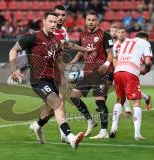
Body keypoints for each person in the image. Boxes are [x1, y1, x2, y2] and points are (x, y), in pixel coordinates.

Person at [9, 11, 93, 149]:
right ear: (44, 21)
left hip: (52, 79)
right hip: (38, 79)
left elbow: (65, 51)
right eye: (51, 21)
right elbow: (13, 50)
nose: (54, 24)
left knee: (50, 111)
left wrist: (84, 50)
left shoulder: (55, 41)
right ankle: (71, 137)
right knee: (57, 103)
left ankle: (37, 126)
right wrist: (14, 69)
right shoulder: (33, 37)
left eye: (56, 22)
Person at [70, 10, 114, 139]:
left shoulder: (105, 35)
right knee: (74, 96)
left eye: (93, 20)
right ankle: (90, 120)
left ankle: (104, 132)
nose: (91, 22)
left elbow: (111, 54)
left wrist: (106, 64)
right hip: (88, 73)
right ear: (85, 21)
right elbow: (81, 52)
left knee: (99, 100)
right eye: (88, 20)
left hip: (103, 72)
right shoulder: (82, 35)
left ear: (97, 21)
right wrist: (72, 62)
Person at [110, 31, 153, 140]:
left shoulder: (126, 41)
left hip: (118, 71)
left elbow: (116, 57)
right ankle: (137, 134)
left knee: (120, 99)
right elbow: (148, 62)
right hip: (130, 73)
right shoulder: (145, 43)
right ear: (146, 38)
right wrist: (144, 71)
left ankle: (113, 128)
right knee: (136, 101)